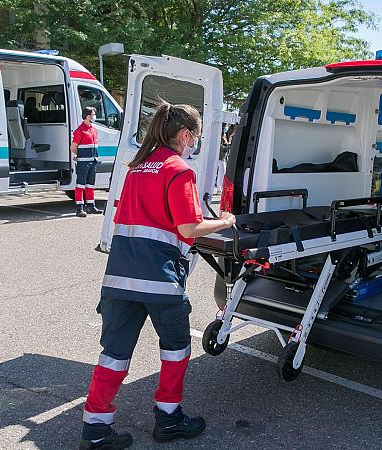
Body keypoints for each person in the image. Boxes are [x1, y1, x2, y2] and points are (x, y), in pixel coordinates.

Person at [79, 101, 237, 449]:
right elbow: (189, 227)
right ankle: (168, 418)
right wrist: (225, 221)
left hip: (119, 278)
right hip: (159, 280)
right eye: (195, 135)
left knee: (114, 354)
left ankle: (95, 429)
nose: (195, 141)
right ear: (184, 135)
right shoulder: (179, 170)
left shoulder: (137, 167)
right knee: (176, 349)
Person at [71, 107, 103, 217]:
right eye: (93, 114)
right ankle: (79, 208)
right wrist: (79, 156)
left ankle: (91, 206)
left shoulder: (93, 129)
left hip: (93, 162)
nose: (94, 116)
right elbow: (73, 147)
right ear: (87, 116)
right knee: (80, 185)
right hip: (83, 162)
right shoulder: (80, 130)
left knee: (90, 185)